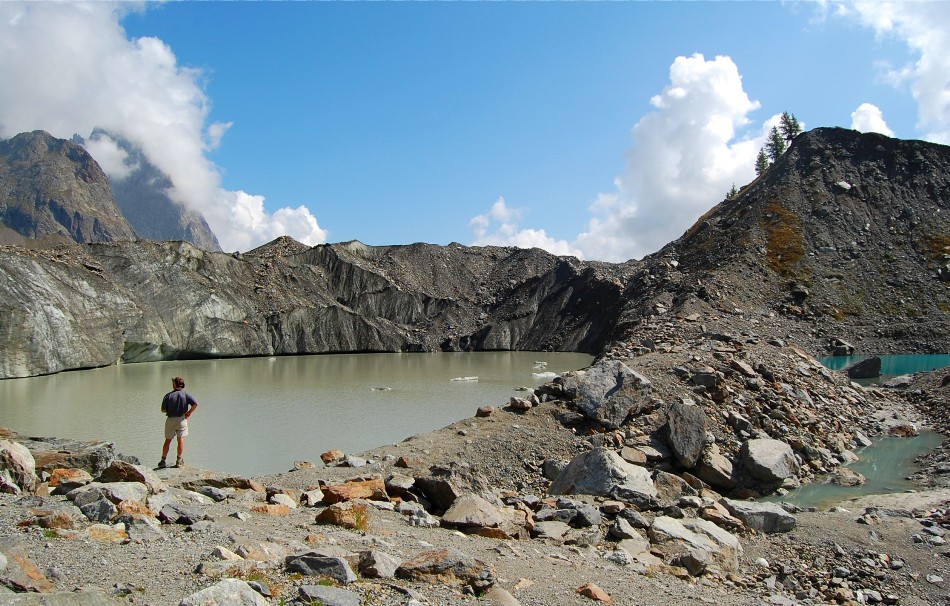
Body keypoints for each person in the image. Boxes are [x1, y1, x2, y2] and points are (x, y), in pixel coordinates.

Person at [159, 376, 198, 469]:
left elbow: (163, 410)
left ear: (174, 385)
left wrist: (170, 409)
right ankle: (179, 460)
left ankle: (163, 461)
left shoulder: (168, 396)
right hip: (182, 419)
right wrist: (189, 413)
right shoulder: (186, 395)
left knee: (167, 440)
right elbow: (196, 404)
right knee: (180, 439)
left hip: (170, 420)